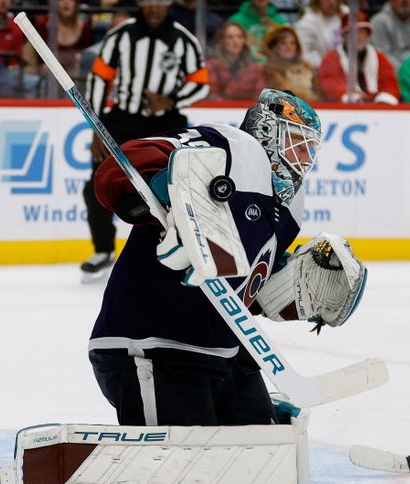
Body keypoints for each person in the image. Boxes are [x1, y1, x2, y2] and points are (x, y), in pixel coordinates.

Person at [87, 89, 362, 426]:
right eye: (297, 143)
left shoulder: (291, 208)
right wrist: (168, 195)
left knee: (263, 456)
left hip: (227, 357)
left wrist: (294, 287)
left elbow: (246, 288)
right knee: (184, 469)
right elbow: (121, 165)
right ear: (266, 130)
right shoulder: (228, 146)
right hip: (153, 346)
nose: (304, 158)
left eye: (310, 150)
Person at [81, 0, 209, 279]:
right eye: (148, 3)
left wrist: (170, 100)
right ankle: (103, 250)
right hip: (123, 122)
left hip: (167, 124)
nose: (154, 8)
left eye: (159, 3)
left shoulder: (183, 39)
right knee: (96, 186)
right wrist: (96, 127)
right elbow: (100, 79)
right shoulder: (121, 35)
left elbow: (201, 83)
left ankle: (176, 252)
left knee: (174, 191)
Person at [318, 12, 401, 104]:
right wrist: (347, 95)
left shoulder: (379, 58)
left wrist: (384, 97)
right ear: (344, 36)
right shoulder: (331, 58)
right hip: (346, 108)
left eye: (361, 32)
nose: (357, 37)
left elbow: (391, 84)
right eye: (353, 32)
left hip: (376, 107)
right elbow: (330, 84)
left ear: (367, 35)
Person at [25, 0, 93, 77]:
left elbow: (87, 61)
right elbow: (30, 57)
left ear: (76, 4)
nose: (66, 2)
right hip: (45, 77)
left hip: (75, 78)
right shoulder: (42, 24)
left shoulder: (85, 29)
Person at [206, 21, 266, 101]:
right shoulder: (211, 65)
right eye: (230, 37)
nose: (236, 41)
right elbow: (210, 93)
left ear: (244, 41)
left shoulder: (254, 67)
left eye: (240, 37)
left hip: (247, 110)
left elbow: (260, 94)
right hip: (218, 110)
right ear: (222, 40)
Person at [370, 0, 410, 71]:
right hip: (390, 76)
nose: (405, 1)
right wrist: (405, 72)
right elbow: (382, 56)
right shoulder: (378, 22)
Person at [262, 25, 321, 102]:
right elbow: (287, 94)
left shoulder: (307, 67)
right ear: (275, 47)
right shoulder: (270, 69)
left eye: (292, 43)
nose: (288, 47)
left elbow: (319, 93)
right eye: (283, 43)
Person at [294, 0, 347, 69]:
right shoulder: (306, 23)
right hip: (316, 72)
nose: (331, 2)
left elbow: (340, 48)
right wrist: (327, 64)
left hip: (342, 69)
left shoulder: (342, 16)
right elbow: (303, 54)